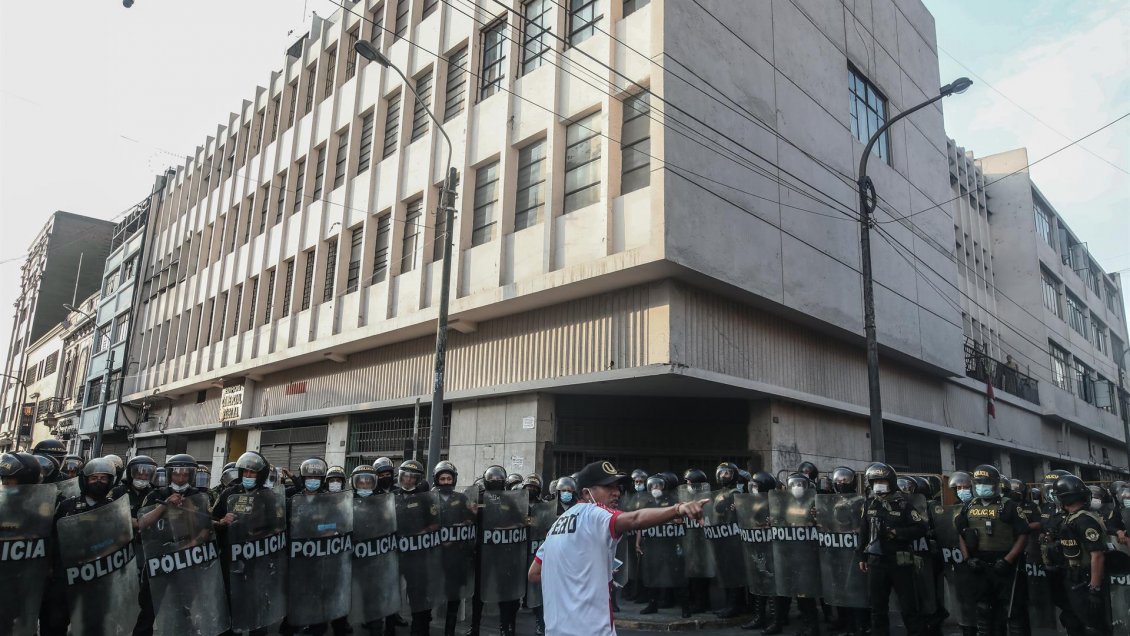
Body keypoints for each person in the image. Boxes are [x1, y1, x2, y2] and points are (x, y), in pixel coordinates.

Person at [529, 460, 709, 636]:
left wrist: (577, 576)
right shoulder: (595, 513)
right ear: (586, 492)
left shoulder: (557, 525)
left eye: (617, 488)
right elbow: (635, 519)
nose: (616, 493)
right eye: (608, 487)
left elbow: (534, 573)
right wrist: (678, 509)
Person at [954, 464, 1028, 636]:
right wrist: (967, 559)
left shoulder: (1009, 506)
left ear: (996, 484)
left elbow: (1023, 535)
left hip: (1005, 565)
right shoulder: (969, 506)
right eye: (978, 482)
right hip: (979, 565)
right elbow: (961, 534)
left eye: (986, 482)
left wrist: (1008, 560)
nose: (981, 486)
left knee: (1012, 611)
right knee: (983, 609)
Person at [857, 462, 927, 636]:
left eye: (883, 480)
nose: (879, 484)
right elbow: (863, 532)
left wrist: (898, 533)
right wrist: (861, 557)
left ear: (891, 482)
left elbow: (921, 528)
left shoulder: (903, 505)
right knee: (877, 608)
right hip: (876, 563)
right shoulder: (869, 504)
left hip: (899, 563)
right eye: (875, 481)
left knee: (909, 607)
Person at [1052, 474, 1112, 635]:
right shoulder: (1072, 518)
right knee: (1073, 621)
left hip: (1086, 579)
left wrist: (1094, 588)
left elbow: (1097, 555)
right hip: (1075, 577)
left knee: (1092, 625)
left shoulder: (1085, 521)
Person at [636, 473, 689, 618]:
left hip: (670, 546)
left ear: (664, 486)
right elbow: (642, 524)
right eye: (652, 485)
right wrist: (638, 542)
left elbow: (681, 522)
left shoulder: (673, 502)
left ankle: (685, 607)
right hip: (653, 546)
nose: (655, 488)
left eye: (657, 485)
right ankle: (652, 604)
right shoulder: (648, 503)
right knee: (652, 575)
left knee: (677, 575)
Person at [433, 461, 475, 636]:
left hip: (456, 555)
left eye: (449, 478)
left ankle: (449, 630)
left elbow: (469, 522)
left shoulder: (461, 498)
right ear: (437, 480)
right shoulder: (429, 498)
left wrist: (470, 517)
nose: (445, 481)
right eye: (442, 478)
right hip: (434, 554)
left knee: (454, 594)